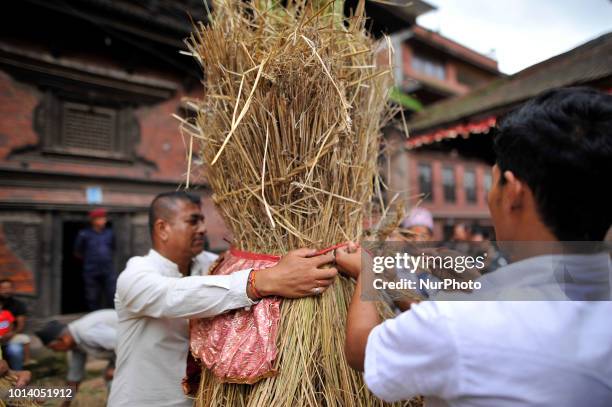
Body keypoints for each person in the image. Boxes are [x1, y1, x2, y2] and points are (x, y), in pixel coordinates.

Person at [337, 87, 612, 406]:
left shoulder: (460, 323)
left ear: (513, 194)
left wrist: (369, 271)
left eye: (493, 181)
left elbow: (362, 349)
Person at [108, 191, 337, 407]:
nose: (203, 229)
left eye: (203, 221)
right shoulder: (134, 276)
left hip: (195, 401)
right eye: (193, 221)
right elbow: (174, 296)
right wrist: (261, 281)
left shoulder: (212, 265)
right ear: (163, 228)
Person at [36, 309, 117, 405]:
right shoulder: (75, 344)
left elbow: (126, 344)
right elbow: (74, 377)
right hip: (121, 352)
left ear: (64, 339)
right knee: (111, 378)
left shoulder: (87, 333)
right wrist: (66, 404)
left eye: (53, 348)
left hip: (135, 347)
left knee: (117, 382)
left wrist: (118, 370)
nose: (55, 351)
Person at [74, 208, 116, 310]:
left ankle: (112, 317)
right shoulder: (84, 234)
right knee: (92, 296)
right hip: (91, 270)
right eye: (100, 219)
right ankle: (95, 318)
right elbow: (77, 252)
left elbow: (113, 248)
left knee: (112, 294)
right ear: (93, 220)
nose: (103, 221)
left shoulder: (109, 233)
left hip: (108, 269)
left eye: (104, 218)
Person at [0, 279, 30, 370]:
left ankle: (17, 377)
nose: (6, 291)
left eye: (9, 288)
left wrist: (11, 334)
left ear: (13, 289)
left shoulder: (18, 305)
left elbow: (20, 326)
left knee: (15, 350)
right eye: (3, 288)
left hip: (11, 337)